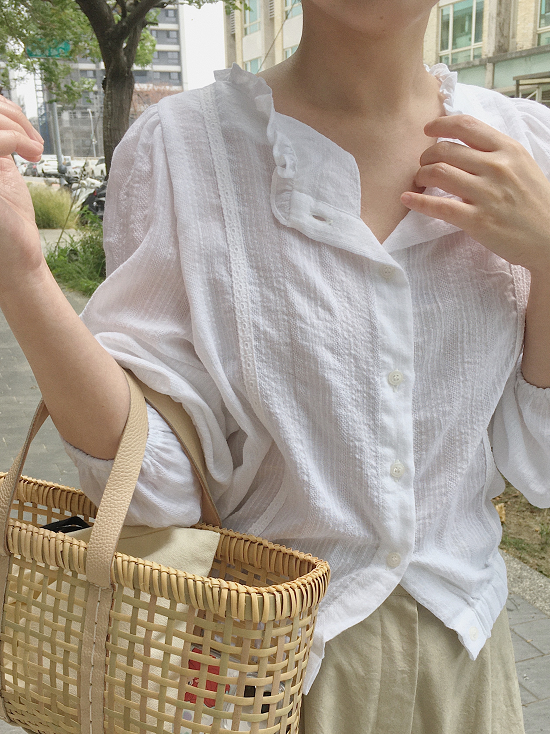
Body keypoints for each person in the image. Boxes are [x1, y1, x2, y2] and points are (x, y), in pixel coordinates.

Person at [1, 1, 550, 731]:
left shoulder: (530, 149)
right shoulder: (183, 150)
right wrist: (22, 276)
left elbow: (538, 462)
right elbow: (156, 488)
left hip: (465, 662)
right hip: (256, 667)